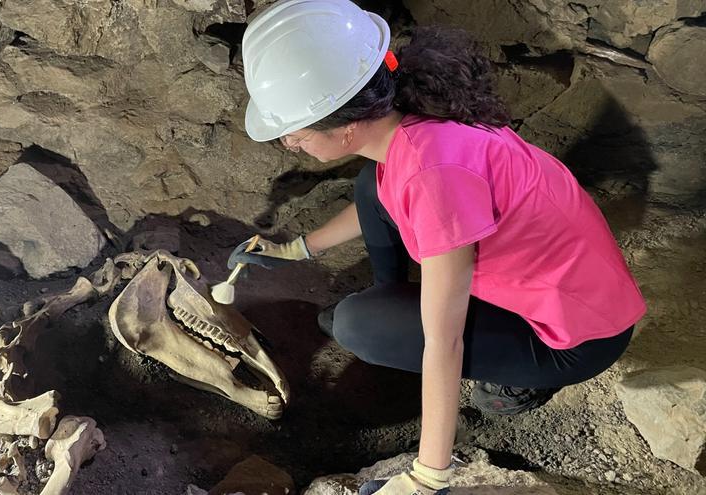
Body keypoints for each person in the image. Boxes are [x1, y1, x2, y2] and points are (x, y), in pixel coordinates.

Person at [230, 1, 647, 493]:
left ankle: (517, 384)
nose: (291, 142)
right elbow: (380, 194)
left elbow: (443, 343)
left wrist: (427, 477)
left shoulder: (434, 181)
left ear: (344, 126)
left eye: (293, 134)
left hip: (576, 337)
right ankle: (392, 309)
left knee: (357, 325)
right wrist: (296, 248)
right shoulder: (413, 123)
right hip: (569, 282)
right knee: (370, 188)